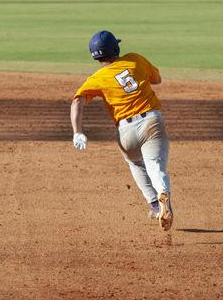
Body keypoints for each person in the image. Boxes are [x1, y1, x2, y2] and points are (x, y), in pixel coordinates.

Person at [70, 30, 174, 231]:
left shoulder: (97, 78)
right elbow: (157, 79)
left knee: (135, 163)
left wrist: (78, 131)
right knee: (154, 165)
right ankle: (162, 192)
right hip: (151, 122)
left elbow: (77, 102)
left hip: (125, 131)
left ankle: (154, 204)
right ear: (116, 48)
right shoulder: (135, 59)